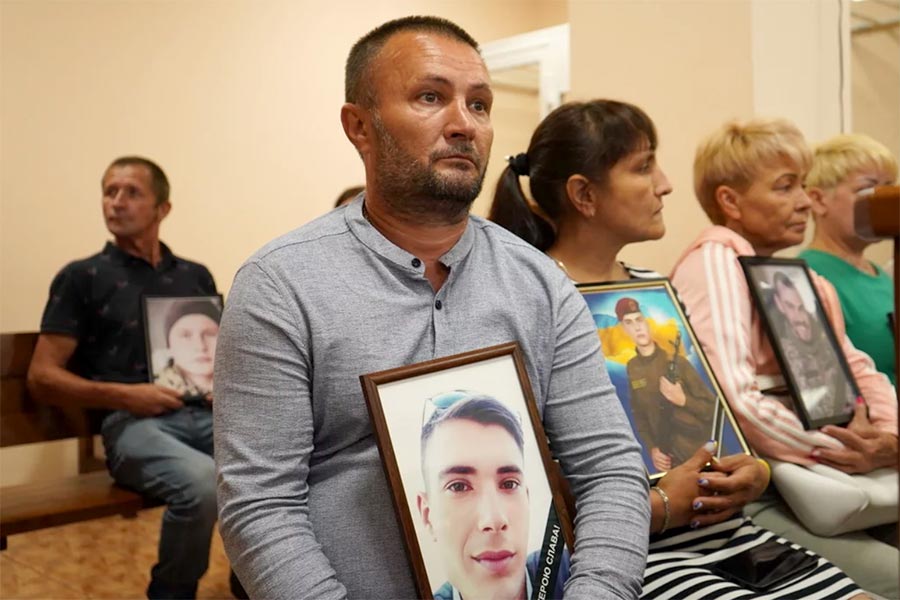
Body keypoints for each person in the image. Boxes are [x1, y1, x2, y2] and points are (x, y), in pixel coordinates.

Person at [213, 17, 649, 600]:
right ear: (359, 127)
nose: (464, 124)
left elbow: (610, 470)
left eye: (480, 104)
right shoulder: (280, 286)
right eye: (430, 97)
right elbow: (259, 507)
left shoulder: (541, 284)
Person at [488, 99, 865, 599]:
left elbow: (710, 413)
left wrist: (753, 470)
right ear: (584, 195)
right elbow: (533, 470)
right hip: (638, 550)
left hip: (730, 529)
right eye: (644, 168)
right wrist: (660, 501)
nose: (665, 184)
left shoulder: (656, 287)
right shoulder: (531, 301)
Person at [669, 117, 898, 596]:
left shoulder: (797, 276)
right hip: (771, 486)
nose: (803, 202)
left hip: (827, 472)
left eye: (804, 185)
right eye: (785, 187)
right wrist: (844, 450)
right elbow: (736, 398)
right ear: (730, 201)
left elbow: (857, 366)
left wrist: (888, 438)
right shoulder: (717, 259)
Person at [26, 156, 221, 599]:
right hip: (134, 426)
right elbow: (42, 378)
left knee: (282, 468)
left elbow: (212, 354)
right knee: (204, 485)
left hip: (206, 416)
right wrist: (127, 397)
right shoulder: (81, 277)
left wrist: (217, 386)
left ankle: (249, 582)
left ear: (162, 209)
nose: (116, 202)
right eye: (109, 191)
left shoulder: (194, 275)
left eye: (131, 192)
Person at [417, 391, 569, 600]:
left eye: (509, 484)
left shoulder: (578, 569)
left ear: (527, 498)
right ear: (427, 515)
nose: (494, 519)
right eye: (459, 487)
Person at [800, 133, 898, 385]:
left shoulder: (880, 275)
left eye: (889, 187)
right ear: (818, 200)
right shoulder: (808, 276)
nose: (881, 199)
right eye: (867, 189)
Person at [615, 297, 717, 472]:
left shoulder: (678, 362)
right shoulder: (633, 368)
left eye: (639, 320)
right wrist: (652, 449)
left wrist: (684, 400)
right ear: (624, 329)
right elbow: (639, 415)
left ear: (648, 323)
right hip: (671, 463)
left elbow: (714, 411)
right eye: (629, 322)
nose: (637, 327)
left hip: (702, 456)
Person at [768, 271, 853, 422]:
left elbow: (855, 365)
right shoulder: (785, 349)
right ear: (780, 305)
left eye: (801, 308)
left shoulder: (826, 333)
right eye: (790, 307)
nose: (798, 317)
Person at [153, 299, 221, 399]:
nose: (200, 346)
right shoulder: (158, 390)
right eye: (185, 335)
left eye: (209, 334)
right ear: (169, 348)